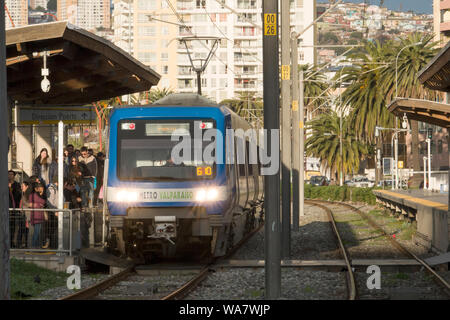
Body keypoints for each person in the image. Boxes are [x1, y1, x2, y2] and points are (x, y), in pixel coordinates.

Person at [29, 182, 47, 248]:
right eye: (40, 187)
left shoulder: (40, 195)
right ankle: (34, 246)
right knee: (36, 232)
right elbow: (30, 204)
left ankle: (36, 246)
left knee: (38, 232)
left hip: (39, 215)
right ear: (36, 188)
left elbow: (43, 203)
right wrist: (39, 205)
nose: (42, 189)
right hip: (36, 215)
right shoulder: (33, 195)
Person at [8, 170, 22, 248]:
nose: (10, 176)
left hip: (14, 208)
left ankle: (12, 242)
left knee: (13, 226)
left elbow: (18, 195)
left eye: (11, 174)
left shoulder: (16, 185)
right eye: (9, 174)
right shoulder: (4, 183)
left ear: (14, 175)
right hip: (6, 208)